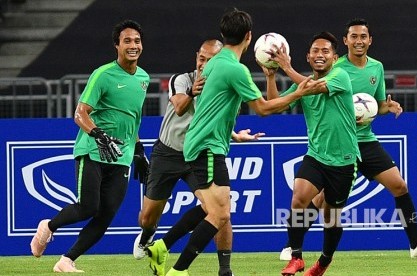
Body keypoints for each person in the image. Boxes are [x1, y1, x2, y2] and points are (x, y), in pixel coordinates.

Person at [146, 8, 326, 276]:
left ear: (223, 34)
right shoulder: (235, 69)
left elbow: (212, 108)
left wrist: (235, 132)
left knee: (217, 211)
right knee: (220, 215)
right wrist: (297, 93)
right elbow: (264, 109)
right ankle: (178, 269)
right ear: (249, 37)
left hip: (202, 144)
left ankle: (162, 246)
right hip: (207, 147)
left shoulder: (215, 63)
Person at [276, 18, 417, 262]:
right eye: (353, 36)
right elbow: (314, 89)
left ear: (370, 40)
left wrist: (388, 106)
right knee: (320, 200)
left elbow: (373, 105)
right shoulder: (337, 68)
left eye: (363, 36)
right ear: (345, 41)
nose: (358, 41)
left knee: (400, 186)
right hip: (339, 144)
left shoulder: (377, 68)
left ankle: (416, 245)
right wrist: (286, 70)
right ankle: (292, 246)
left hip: (365, 140)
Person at [133, 39, 263, 276]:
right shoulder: (182, 80)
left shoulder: (222, 82)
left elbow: (212, 120)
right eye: (201, 58)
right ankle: (151, 238)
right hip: (168, 153)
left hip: (199, 154)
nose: (204, 64)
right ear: (196, 57)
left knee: (219, 210)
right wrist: (193, 91)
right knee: (147, 217)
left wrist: (235, 135)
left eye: (211, 60)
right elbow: (181, 106)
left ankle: (224, 269)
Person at [29, 19, 150, 272]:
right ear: (116, 45)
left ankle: (66, 260)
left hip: (122, 155)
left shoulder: (143, 78)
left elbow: (133, 119)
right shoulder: (103, 74)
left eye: (137, 41)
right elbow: (80, 113)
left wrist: (138, 151)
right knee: (88, 207)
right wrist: (98, 135)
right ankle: (48, 227)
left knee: (105, 217)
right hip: (94, 150)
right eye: (127, 40)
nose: (133, 45)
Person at [265, 31, 360, 276]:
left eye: (325, 51)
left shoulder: (341, 76)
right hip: (316, 156)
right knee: (299, 198)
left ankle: (324, 262)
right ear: (308, 57)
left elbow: (314, 88)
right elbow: (276, 106)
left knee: (331, 216)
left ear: (334, 57)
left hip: (344, 160)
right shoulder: (303, 84)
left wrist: (286, 67)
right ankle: (296, 256)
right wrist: (271, 76)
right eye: (316, 51)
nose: (320, 55)